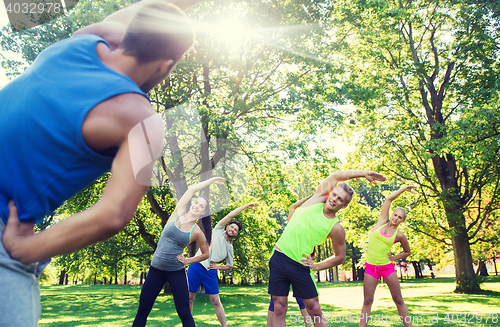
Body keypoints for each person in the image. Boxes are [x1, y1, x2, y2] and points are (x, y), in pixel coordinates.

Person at [0, 0, 206, 325]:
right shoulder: (141, 120)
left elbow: (141, 14)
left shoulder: (88, 38)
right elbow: (112, 215)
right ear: (165, 66)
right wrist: (25, 249)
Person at [269, 170, 386, 327]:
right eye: (334, 195)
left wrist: (316, 266)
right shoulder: (317, 198)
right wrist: (363, 174)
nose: (334, 199)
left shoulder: (336, 227)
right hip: (278, 257)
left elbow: (340, 257)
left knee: (314, 309)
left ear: (344, 206)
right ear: (330, 193)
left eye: (340, 199)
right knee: (279, 307)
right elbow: (336, 175)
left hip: (300, 264)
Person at [133, 177, 224, 327]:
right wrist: (211, 180)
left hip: (175, 272)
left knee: (184, 313)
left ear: (203, 212)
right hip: (156, 270)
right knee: (143, 310)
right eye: (196, 202)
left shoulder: (197, 232)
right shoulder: (178, 213)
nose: (196, 205)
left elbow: (206, 254)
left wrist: (187, 261)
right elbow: (191, 190)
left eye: (201, 206)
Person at [187, 202, 258, 326]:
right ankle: (187, 324)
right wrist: (245, 206)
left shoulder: (229, 248)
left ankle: (224, 325)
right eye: (232, 227)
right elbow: (230, 215)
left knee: (215, 300)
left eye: (235, 230)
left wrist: (218, 267)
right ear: (227, 227)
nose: (232, 230)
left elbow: (229, 266)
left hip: (210, 271)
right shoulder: (217, 230)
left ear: (236, 234)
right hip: (197, 265)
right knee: (189, 298)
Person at [359, 185, 415, 327]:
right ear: (392, 214)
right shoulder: (381, 222)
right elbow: (389, 199)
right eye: (395, 215)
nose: (396, 218)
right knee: (367, 301)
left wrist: (394, 258)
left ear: (402, 221)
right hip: (371, 267)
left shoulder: (400, 235)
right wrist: (403, 189)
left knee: (398, 299)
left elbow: (407, 252)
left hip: (387, 268)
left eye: (400, 217)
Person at [267, 194, 313, 327]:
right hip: (280, 262)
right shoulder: (292, 225)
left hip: (298, 266)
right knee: (276, 303)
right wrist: (311, 197)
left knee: (304, 301)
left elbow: (312, 254)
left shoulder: (309, 231)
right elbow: (293, 206)